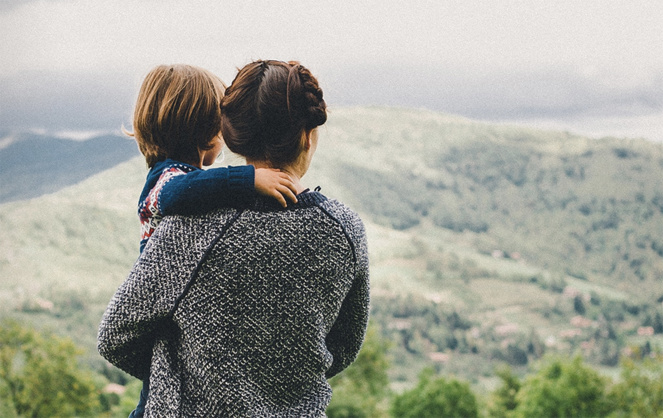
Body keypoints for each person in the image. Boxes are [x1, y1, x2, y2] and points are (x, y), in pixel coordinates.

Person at [98, 60, 370, 417]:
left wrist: (187, 379)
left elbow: (116, 336)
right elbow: (344, 345)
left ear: (231, 135)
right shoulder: (344, 230)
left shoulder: (189, 228)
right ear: (307, 135)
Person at [124, 64, 299, 417]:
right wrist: (248, 178)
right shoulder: (168, 179)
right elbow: (180, 193)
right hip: (164, 314)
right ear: (204, 133)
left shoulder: (182, 178)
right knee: (154, 401)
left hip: (174, 313)